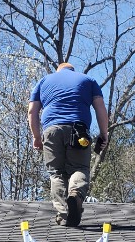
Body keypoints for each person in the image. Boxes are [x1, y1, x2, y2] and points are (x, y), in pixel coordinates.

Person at [28, 62, 109, 226]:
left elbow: (32, 111)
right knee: (79, 168)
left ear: (58, 70)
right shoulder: (88, 80)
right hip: (78, 131)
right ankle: (76, 194)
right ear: (73, 69)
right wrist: (103, 134)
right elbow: (100, 108)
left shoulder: (44, 81)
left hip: (51, 131)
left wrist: (36, 137)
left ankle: (64, 214)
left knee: (57, 172)